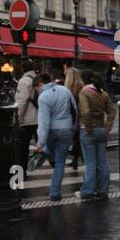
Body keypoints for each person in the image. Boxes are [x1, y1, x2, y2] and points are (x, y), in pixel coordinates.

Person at [36, 72, 78, 201]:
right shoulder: (65, 90)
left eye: (36, 88)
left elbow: (44, 121)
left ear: (39, 84)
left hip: (52, 130)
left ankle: (45, 152)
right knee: (60, 163)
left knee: (51, 151)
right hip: (66, 128)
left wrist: (40, 142)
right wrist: (73, 128)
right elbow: (74, 110)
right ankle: (55, 192)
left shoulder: (43, 96)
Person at [77, 70, 116, 199]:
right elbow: (112, 112)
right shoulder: (103, 93)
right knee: (102, 162)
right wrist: (107, 128)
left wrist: (88, 126)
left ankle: (88, 191)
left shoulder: (84, 92)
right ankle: (103, 189)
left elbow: (85, 111)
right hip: (101, 130)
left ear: (83, 80)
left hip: (89, 130)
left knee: (90, 163)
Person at [14, 61, 40, 170]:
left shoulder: (24, 81)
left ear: (22, 69)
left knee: (22, 148)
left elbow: (22, 102)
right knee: (42, 145)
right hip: (39, 118)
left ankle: (22, 171)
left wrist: (18, 118)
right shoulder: (38, 79)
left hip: (28, 119)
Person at [63, 62, 84, 170]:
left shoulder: (68, 91)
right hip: (80, 118)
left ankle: (78, 159)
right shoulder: (82, 89)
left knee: (77, 139)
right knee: (78, 139)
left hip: (75, 118)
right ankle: (76, 159)